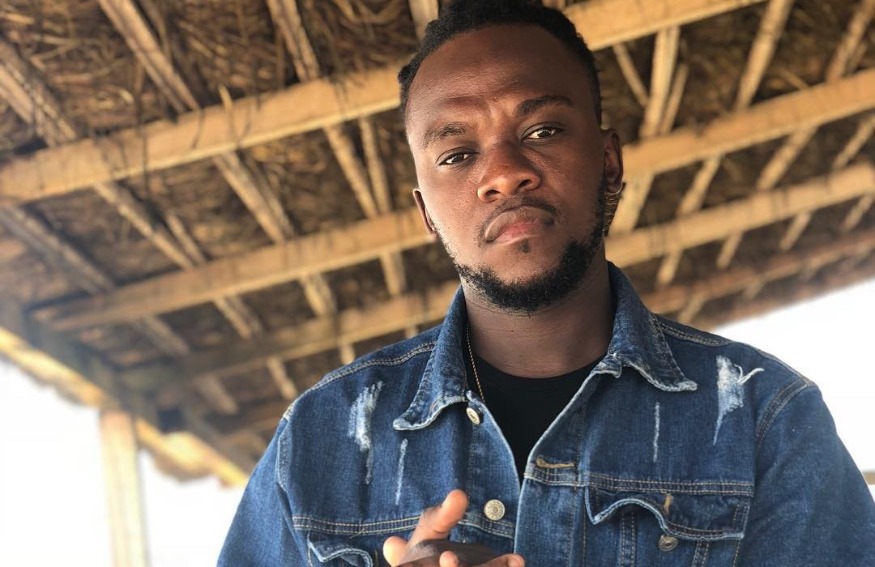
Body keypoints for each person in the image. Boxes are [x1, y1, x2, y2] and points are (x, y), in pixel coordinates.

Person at [219, 1, 875, 565]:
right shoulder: (320, 439)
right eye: (457, 153)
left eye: (543, 130)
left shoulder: (764, 421)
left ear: (608, 161)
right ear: (425, 213)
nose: (504, 173)